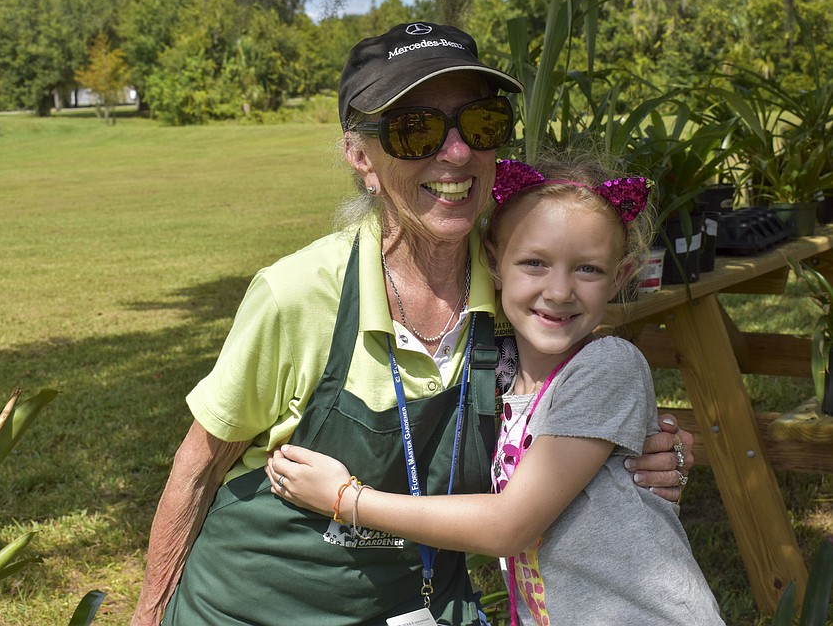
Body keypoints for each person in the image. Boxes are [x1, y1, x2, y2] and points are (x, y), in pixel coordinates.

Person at [131, 22, 694, 626]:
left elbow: (580, 404)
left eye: (479, 123)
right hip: (252, 610)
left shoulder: (523, 286)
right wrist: (148, 615)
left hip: (423, 606)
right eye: (414, 128)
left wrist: (659, 454)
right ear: (360, 157)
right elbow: (198, 467)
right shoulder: (298, 295)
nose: (454, 152)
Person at [267, 155, 723, 625]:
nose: (560, 291)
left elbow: (509, 527)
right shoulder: (497, 370)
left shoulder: (607, 365)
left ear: (620, 277)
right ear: (493, 262)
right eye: (534, 263)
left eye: (587, 269)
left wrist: (345, 499)